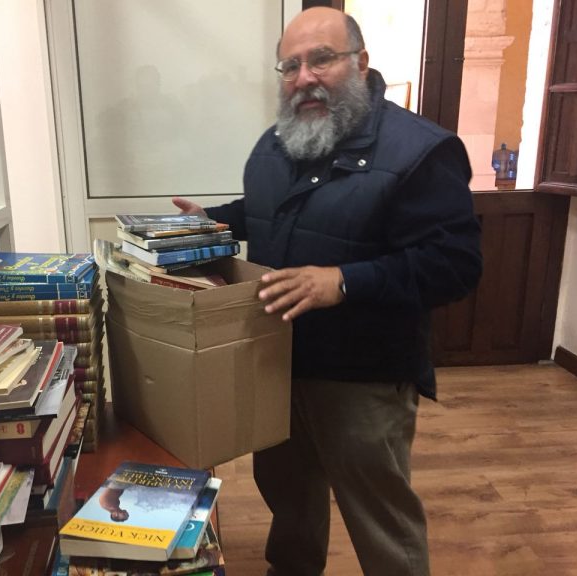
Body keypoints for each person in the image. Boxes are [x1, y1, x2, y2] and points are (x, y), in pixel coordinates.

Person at [172, 7, 482, 576]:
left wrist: (342, 281)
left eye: (322, 59)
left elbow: (454, 265)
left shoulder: (421, 150)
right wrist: (213, 224)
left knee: (379, 513)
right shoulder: (277, 143)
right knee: (288, 496)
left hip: (364, 376)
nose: (304, 77)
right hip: (277, 360)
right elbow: (269, 212)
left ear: (360, 63)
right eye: (290, 66)